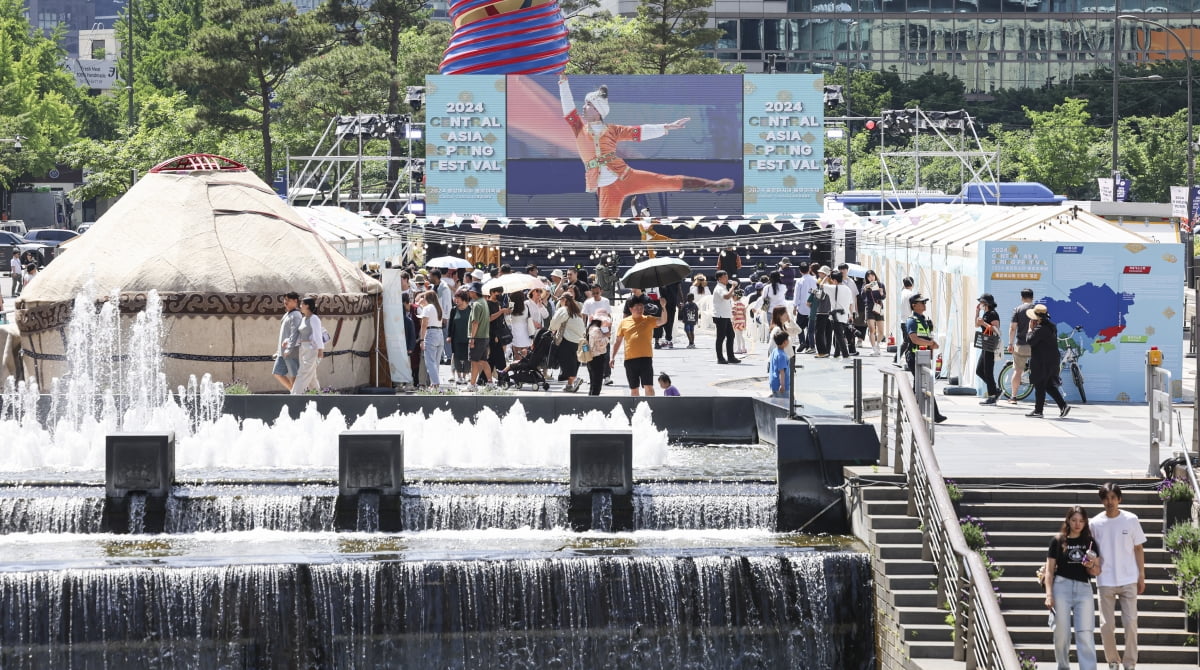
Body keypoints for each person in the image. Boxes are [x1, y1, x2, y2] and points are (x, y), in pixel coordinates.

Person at [558, 74, 735, 218]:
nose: (584, 107)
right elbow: (569, 111)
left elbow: (639, 132)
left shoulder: (613, 130)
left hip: (626, 176)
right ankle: (610, 259)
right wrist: (563, 84)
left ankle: (711, 184)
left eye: (588, 104)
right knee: (607, 226)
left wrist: (666, 127)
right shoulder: (579, 128)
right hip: (605, 188)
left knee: (667, 181)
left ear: (598, 110)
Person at [1091, 483, 1146, 670]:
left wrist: (1141, 575)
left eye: (1113, 498)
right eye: (1106, 498)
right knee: (1106, 625)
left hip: (1129, 579)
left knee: (1131, 623)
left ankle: (1130, 664)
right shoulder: (1095, 523)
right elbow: (1091, 551)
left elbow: (1138, 548)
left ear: (1119, 499)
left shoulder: (1131, 520)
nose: (1110, 502)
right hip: (1105, 580)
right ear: (1102, 501)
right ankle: (1113, 661)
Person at [1044, 506, 1103, 670]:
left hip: (1083, 587)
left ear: (1085, 522)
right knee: (1061, 632)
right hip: (1061, 585)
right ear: (1068, 521)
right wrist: (1049, 594)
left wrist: (1091, 566)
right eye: (1074, 520)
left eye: (1081, 521)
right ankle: (1063, 666)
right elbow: (1049, 571)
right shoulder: (1057, 540)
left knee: (1085, 632)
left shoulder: (1090, 542)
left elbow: (1097, 570)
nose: (1078, 524)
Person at [611, 295, 668, 396]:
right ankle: (636, 410)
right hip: (630, 359)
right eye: (637, 307)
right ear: (631, 309)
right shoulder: (624, 322)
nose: (640, 309)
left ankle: (650, 409)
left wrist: (663, 307)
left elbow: (663, 321)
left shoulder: (648, 319)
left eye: (641, 307)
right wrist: (612, 357)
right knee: (634, 389)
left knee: (649, 387)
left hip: (645, 358)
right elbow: (618, 341)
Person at [904, 294, 947, 423]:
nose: (924, 305)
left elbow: (927, 337)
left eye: (924, 302)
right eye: (921, 303)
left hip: (924, 357)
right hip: (914, 356)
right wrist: (930, 344)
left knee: (920, 385)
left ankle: (910, 413)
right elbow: (914, 339)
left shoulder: (925, 320)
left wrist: (932, 345)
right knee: (922, 384)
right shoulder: (912, 320)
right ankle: (933, 414)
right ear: (914, 305)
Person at [1025, 303, 1071, 419]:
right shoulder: (1051, 326)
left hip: (1042, 361)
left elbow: (1030, 341)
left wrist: (1030, 329)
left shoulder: (1040, 329)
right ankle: (1063, 405)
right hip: (1052, 360)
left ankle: (1038, 411)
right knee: (1048, 385)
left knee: (1040, 384)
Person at [550, 293, 587, 392]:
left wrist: (552, 329)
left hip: (568, 340)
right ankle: (570, 385)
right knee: (574, 363)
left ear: (565, 300)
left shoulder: (564, 310)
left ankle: (574, 380)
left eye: (561, 299)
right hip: (579, 341)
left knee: (565, 363)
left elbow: (554, 323)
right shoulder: (576, 312)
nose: (559, 301)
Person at [291, 297, 324, 394]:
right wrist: (289, 343)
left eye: (302, 304)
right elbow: (300, 335)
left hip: (311, 349)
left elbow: (318, 335)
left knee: (303, 373)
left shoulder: (314, 318)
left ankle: (294, 396)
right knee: (311, 376)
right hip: (303, 349)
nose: (300, 306)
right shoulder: (303, 318)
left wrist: (320, 350)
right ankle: (319, 397)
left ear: (307, 305)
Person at [1008, 288, 1036, 403]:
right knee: (1038, 372)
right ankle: (1041, 399)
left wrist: (1010, 343)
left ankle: (1013, 397)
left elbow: (1013, 328)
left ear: (1022, 298)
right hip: (1035, 345)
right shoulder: (1037, 309)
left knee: (1018, 371)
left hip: (1020, 345)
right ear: (1032, 297)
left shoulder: (1017, 309)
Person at [271, 292, 302, 392]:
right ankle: (294, 392)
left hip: (291, 351)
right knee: (277, 373)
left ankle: (296, 396)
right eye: (285, 300)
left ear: (295, 301)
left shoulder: (296, 315)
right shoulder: (287, 315)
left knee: (294, 375)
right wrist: (278, 350)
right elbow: (284, 334)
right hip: (282, 352)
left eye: (288, 300)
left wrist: (289, 348)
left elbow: (295, 333)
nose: (285, 302)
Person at [975, 293, 1002, 405]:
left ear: (986, 303)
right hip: (985, 343)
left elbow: (996, 331)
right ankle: (995, 390)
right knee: (979, 370)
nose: (980, 304)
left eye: (981, 302)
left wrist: (984, 324)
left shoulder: (993, 314)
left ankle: (992, 395)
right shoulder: (985, 313)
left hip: (991, 343)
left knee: (988, 370)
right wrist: (977, 312)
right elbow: (976, 325)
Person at [466, 283, 491, 391]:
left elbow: (475, 322)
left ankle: (472, 385)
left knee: (474, 361)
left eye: (470, 291)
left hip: (477, 337)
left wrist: (472, 338)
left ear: (474, 292)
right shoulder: (484, 302)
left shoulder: (476, 304)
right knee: (483, 361)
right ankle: (490, 382)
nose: (469, 293)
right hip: (485, 336)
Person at [418, 290, 444, 390]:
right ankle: (434, 384)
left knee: (429, 361)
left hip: (431, 333)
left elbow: (424, 325)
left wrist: (421, 339)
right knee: (435, 362)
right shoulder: (438, 308)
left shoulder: (427, 308)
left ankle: (436, 384)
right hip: (439, 333)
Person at [712, 270, 740, 364]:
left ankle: (730, 356)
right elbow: (726, 297)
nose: (727, 279)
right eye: (725, 277)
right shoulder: (719, 288)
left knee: (731, 335)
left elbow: (730, 298)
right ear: (720, 278)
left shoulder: (723, 287)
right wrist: (732, 287)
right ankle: (720, 358)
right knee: (721, 337)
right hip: (720, 315)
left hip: (725, 315)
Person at [827, 271, 855, 359]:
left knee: (839, 336)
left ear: (834, 280)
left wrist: (827, 277)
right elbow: (851, 303)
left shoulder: (832, 288)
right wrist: (851, 314)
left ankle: (845, 354)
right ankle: (836, 353)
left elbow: (820, 284)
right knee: (839, 334)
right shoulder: (847, 289)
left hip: (835, 316)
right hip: (844, 315)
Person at [584, 310, 612, 396]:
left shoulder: (590, 327)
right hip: (597, 357)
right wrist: (607, 337)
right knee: (597, 382)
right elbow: (601, 344)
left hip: (591, 357)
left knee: (593, 381)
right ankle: (593, 401)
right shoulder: (596, 330)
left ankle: (591, 398)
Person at [793, 263, 818, 353]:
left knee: (798, 327)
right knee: (810, 328)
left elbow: (796, 295)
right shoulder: (814, 280)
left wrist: (795, 306)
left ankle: (802, 342)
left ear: (800, 271)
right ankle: (809, 345)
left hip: (802, 308)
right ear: (809, 269)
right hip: (812, 307)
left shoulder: (800, 281)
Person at [448, 291, 472, 384]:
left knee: (467, 357)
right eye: (455, 298)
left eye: (458, 298)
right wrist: (449, 336)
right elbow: (450, 324)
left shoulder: (470, 309)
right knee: (457, 356)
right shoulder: (454, 310)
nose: (455, 300)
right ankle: (459, 376)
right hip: (456, 338)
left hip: (468, 338)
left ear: (464, 299)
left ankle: (465, 375)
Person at [861, 270, 886, 356]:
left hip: (879, 307)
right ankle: (873, 348)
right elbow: (862, 296)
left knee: (881, 331)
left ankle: (878, 344)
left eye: (872, 276)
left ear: (875, 276)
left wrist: (881, 293)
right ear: (867, 278)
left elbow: (883, 297)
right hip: (869, 307)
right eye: (869, 276)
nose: (871, 278)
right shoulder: (866, 286)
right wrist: (865, 288)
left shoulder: (881, 284)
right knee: (872, 329)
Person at [810, 266, 833, 358]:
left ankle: (822, 352)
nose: (819, 274)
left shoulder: (824, 284)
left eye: (821, 273)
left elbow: (821, 297)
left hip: (822, 311)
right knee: (828, 332)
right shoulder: (832, 283)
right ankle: (827, 350)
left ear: (825, 274)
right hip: (829, 311)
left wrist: (815, 292)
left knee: (819, 332)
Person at [508, 291, 534, 359]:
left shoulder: (511, 306)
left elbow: (508, 318)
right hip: (525, 331)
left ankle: (517, 366)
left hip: (515, 331)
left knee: (516, 353)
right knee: (525, 352)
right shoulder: (526, 306)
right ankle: (524, 366)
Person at [768, 330, 791, 399]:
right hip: (780, 385)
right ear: (784, 342)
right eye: (788, 339)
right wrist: (782, 385)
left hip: (774, 383)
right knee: (784, 406)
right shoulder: (781, 356)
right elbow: (781, 372)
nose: (789, 341)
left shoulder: (775, 351)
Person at [731, 289, 749, 355]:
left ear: (735, 296)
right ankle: (743, 348)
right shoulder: (742, 304)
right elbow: (744, 314)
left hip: (737, 322)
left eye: (733, 296)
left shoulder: (734, 304)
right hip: (742, 321)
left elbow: (734, 314)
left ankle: (739, 348)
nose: (732, 298)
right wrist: (745, 322)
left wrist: (733, 320)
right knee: (741, 335)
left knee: (737, 336)